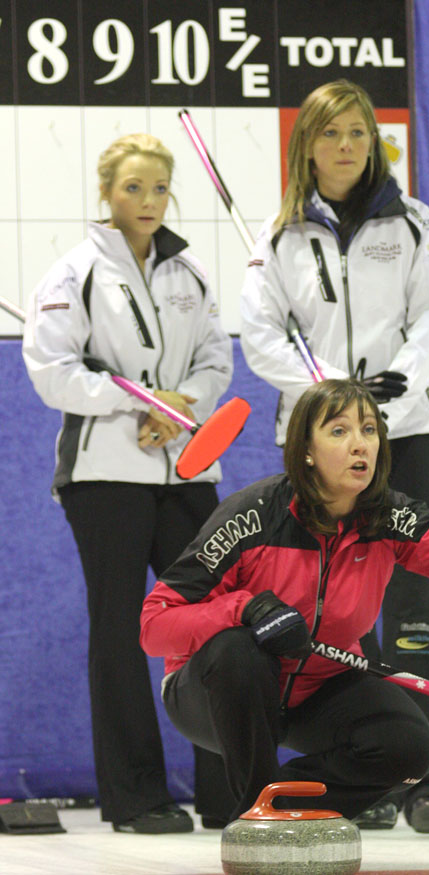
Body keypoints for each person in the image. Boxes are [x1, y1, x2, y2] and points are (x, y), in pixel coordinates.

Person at [140, 378, 429, 827]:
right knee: (238, 651)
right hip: (216, 694)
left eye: (369, 430)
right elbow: (154, 625)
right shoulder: (252, 516)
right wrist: (243, 609)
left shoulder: (384, 515)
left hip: (317, 689)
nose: (360, 444)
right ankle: (258, 819)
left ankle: (277, 807)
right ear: (306, 449)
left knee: (408, 745)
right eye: (339, 431)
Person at [239, 78, 429, 832]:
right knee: (333, 612)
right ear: (308, 145)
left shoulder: (414, 222)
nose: (346, 147)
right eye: (331, 133)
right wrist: (326, 403)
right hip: (314, 448)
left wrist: (375, 412)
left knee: (411, 613)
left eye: (359, 134)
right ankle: (367, 777)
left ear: (376, 143)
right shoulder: (281, 237)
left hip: (404, 432)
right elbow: (262, 333)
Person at [22, 133, 233, 833]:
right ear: (106, 193)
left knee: (213, 619)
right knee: (119, 629)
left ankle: (225, 787)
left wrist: (182, 406)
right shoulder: (74, 273)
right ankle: (137, 795)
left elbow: (214, 359)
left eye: (159, 189)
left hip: (187, 466)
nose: (147, 201)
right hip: (105, 474)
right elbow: (53, 372)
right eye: (131, 188)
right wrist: (138, 402)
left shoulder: (191, 273)